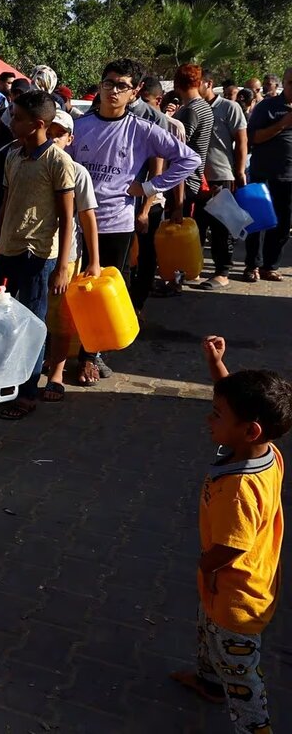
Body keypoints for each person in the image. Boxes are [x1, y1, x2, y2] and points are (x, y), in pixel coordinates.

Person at [170, 335, 287, 734]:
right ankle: (208, 681)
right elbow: (238, 400)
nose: (209, 419)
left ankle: (255, 726)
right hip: (222, 589)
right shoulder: (263, 451)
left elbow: (230, 545)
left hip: (236, 597)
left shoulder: (239, 488)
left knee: (241, 675)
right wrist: (218, 365)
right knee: (209, 637)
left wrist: (206, 565)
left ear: (249, 430)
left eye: (216, 414)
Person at [69, 58, 199, 387]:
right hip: (75, 223)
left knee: (103, 290)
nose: (113, 91)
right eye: (108, 83)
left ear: (134, 92)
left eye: (122, 86)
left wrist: (148, 189)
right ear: (99, 85)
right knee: (71, 288)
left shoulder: (142, 130)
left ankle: (91, 354)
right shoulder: (79, 126)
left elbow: (189, 159)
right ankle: (65, 349)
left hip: (116, 222)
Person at [0, 91, 76, 418]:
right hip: (8, 250)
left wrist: (63, 267)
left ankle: (27, 392)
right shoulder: (13, 155)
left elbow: (67, 217)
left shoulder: (58, 161)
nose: (11, 122)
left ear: (38, 124)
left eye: (17, 117)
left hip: (40, 256)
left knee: (33, 323)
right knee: (1, 322)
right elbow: (4, 205)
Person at [42, 110, 100, 399]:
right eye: (48, 133)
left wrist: (94, 261)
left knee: (61, 319)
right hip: (33, 253)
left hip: (66, 257)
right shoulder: (29, 162)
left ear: (70, 139)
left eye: (59, 134)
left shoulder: (78, 172)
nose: (52, 139)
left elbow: (88, 218)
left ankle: (56, 372)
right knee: (34, 315)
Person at [198, 67, 249, 291]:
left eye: (196, 84)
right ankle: (192, 268)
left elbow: (241, 142)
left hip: (221, 176)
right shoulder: (193, 108)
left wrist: (239, 173)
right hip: (196, 178)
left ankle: (222, 273)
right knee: (197, 226)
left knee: (221, 228)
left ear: (208, 84)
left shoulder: (230, 107)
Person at [241, 67, 292, 283]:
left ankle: (271, 266)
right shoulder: (268, 107)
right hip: (264, 175)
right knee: (258, 222)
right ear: (284, 84)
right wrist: (282, 124)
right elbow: (252, 138)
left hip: (289, 178)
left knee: (283, 225)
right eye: (291, 83)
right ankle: (252, 265)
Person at [174, 64, 214, 227]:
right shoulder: (204, 107)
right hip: (194, 178)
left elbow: (178, 151)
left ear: (177, 85)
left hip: (185, 182)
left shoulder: (191, 111)